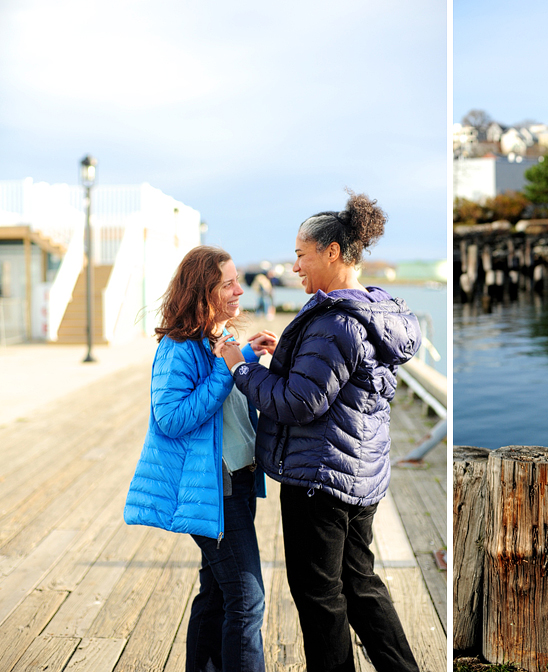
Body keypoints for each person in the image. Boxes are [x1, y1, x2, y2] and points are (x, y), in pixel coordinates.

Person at [218, 190, 422, 672]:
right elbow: (323, 387)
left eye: (301, 256)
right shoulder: (375, 311)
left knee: (320, 599)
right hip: (359, 476)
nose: (295, 268)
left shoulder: (334, 322)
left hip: (319, 480)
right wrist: (272, 361)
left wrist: (238, 368)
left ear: (332, 252)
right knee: (361, 586)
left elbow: (297, 402)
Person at [124, 246, 277, 672]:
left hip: (240, 483)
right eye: (227, 283)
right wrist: (225, 370)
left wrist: (243, 357)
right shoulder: (178, 347)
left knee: (215, 595)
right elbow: (170, 419)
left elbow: (225, 392)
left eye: (236, 281)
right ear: (202, 291)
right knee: (247, 601)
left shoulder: (220, 338)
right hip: (214, 489)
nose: (238, 290)